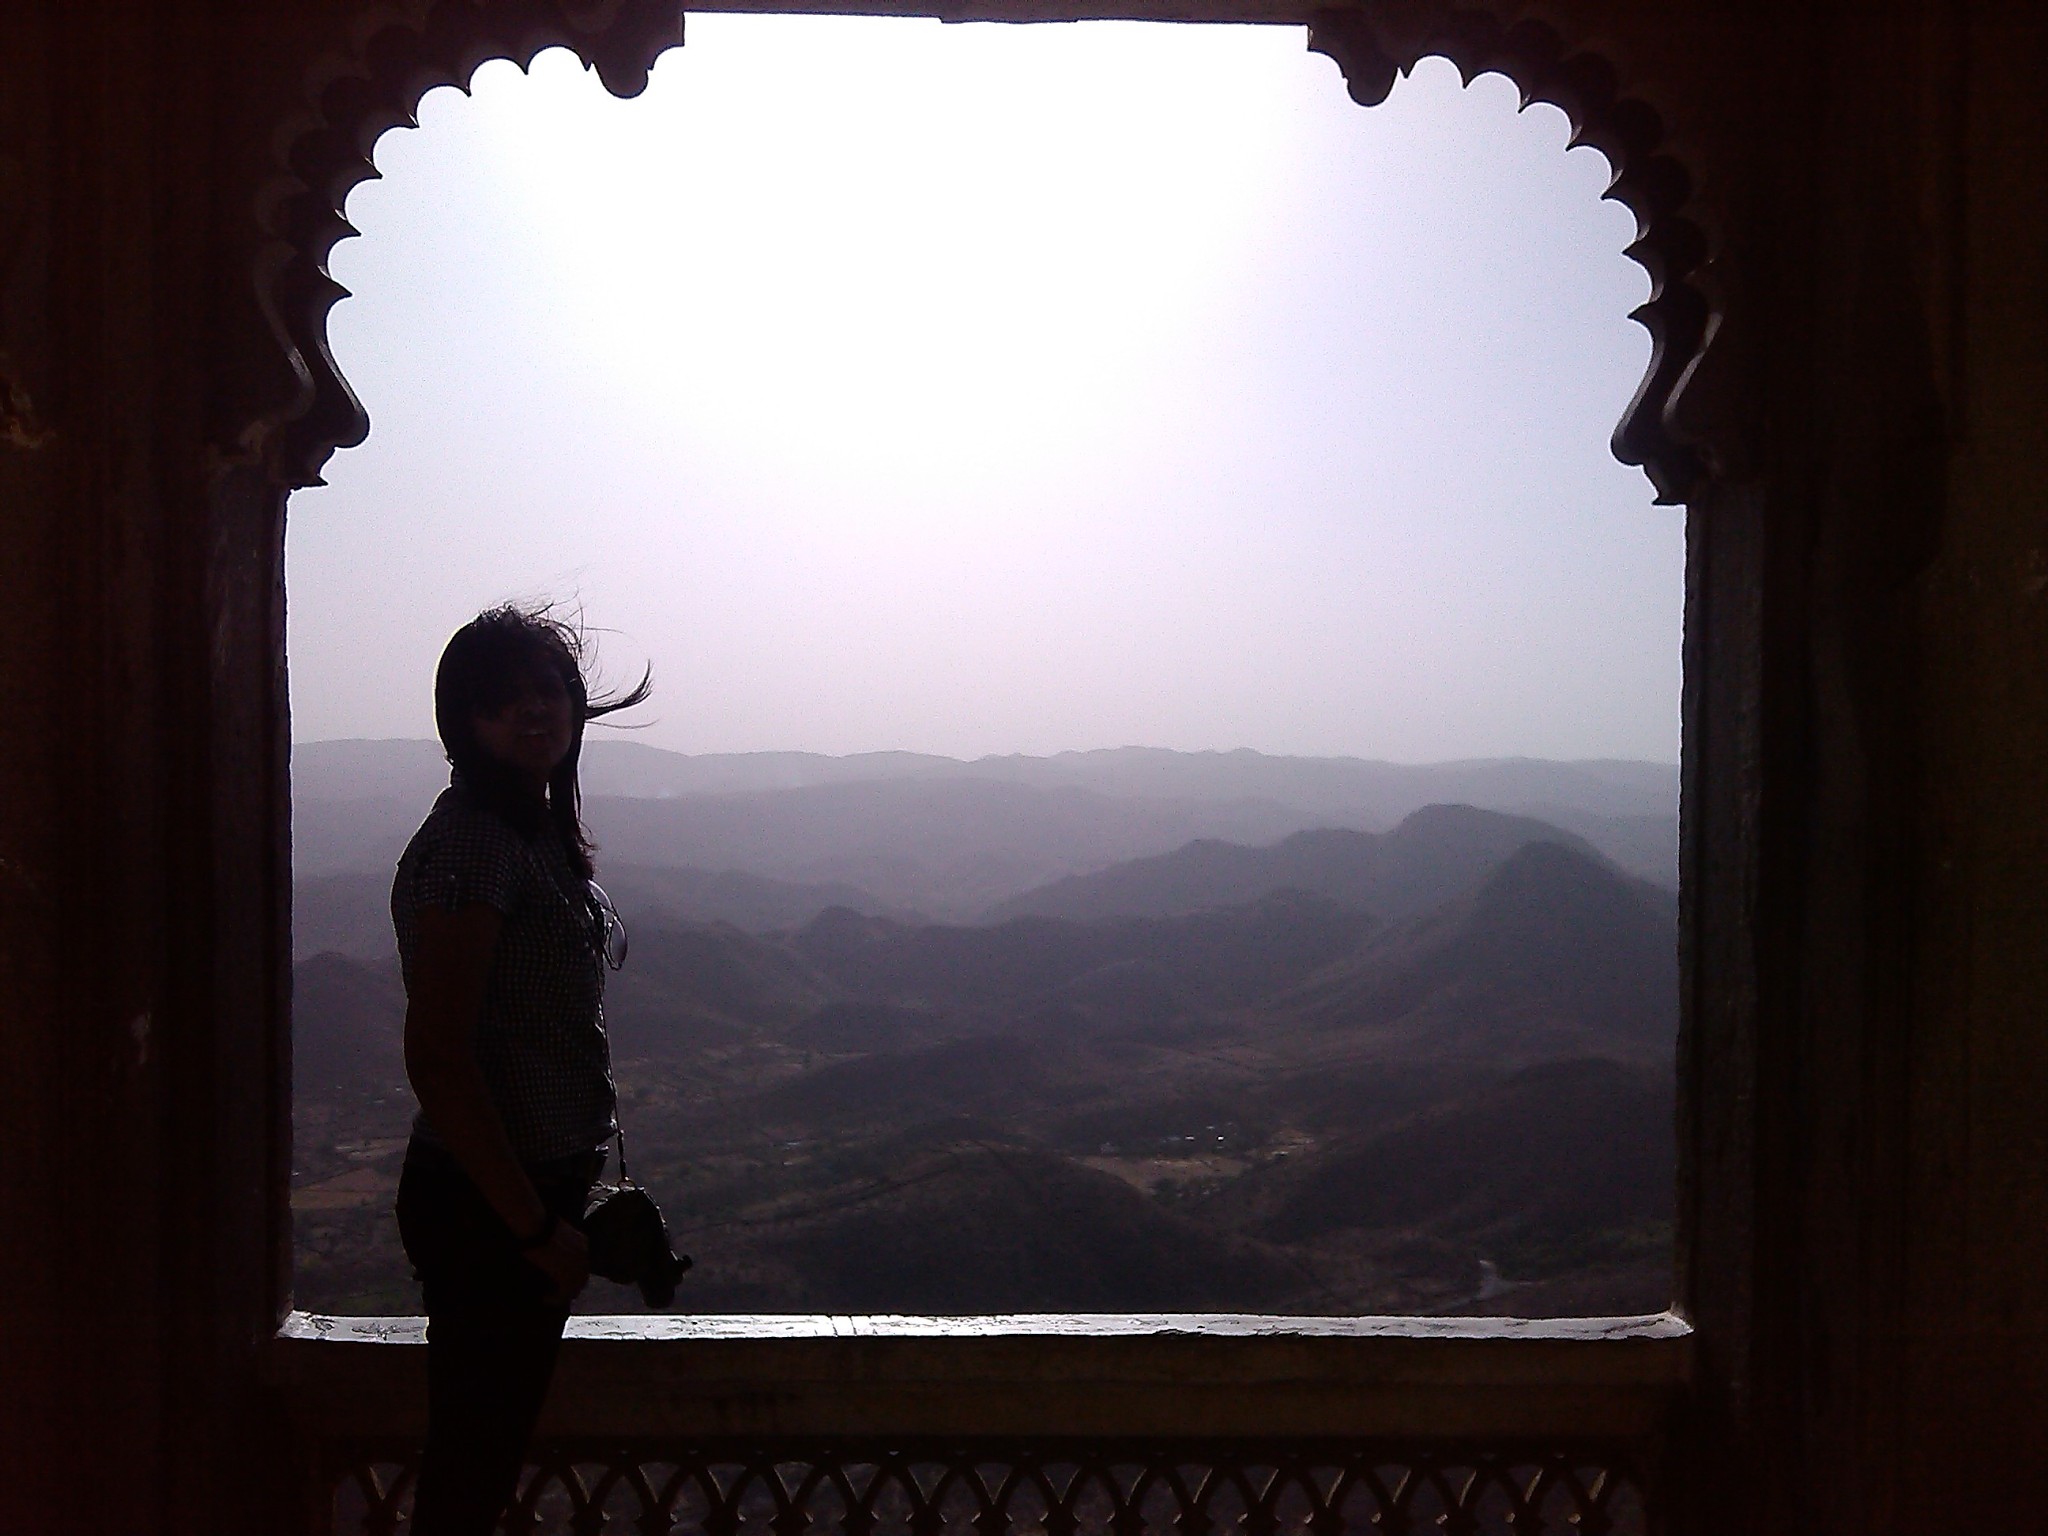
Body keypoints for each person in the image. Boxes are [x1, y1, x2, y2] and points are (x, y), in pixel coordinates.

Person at [391, 605, 650, 1536]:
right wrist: (535, 1227)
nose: (532, 711)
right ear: (461, 720)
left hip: (524, 1190)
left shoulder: (532, 829)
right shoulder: (473, 842)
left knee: (485, 1451)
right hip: (487, 1203)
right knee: (471, 1465)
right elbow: (441, 1058)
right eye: (503, 699)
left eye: (548, 690)